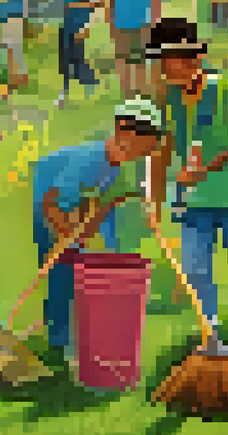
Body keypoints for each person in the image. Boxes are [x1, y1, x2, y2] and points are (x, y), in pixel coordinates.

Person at [145, 17, 228, 339]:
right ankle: (210, 330)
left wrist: (211, 166)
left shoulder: (225, 91)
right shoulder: (167, 100)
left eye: (171, 60)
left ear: (193, 59)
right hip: (190, 202)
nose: (166, 68)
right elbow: (161, 152)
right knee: (195, 270)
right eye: (162, 61)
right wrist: (154, 203)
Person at [30, 99, 167, 365]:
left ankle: (72, 331)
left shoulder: (113, 164)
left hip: (71, 205)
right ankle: (58, 340)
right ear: (124, 132)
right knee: (62, 270)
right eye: (145, 147)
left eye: (150, 149)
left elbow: (94, 202)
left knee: (81, 265)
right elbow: (50, 203)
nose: (144, 154)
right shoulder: (91, 161)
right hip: (48, 205)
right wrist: (67, 237)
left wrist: (109, 208)